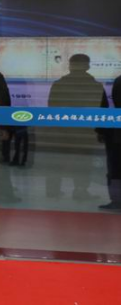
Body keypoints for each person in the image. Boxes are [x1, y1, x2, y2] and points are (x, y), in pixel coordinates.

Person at [47, 54, 109, 201]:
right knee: (83, 162)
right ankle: (80, 191)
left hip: (61, 131)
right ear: (87, 66)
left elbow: (51, 108)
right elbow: (103, 111)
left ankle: (53, 191)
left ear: (70, 66)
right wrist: (101, 132)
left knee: (57, 161)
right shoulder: (95, 85)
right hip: (85, 131)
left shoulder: (59, 84)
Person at [98, 75, 121, 210]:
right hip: (115, 132)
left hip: (115, 133)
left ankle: (117, 201)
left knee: (115, 168)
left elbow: (105, 107)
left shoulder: (116, 82)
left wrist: (100, 130)